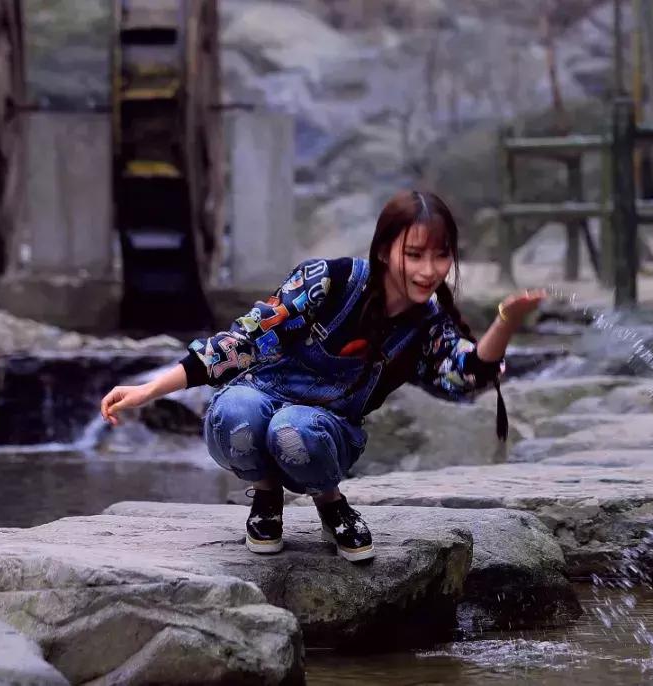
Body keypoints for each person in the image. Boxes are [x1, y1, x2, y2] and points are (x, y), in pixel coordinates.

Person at [99, 190, 543, 562]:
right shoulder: (328, 280)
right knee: (232, 412)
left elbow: (465, 375)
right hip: (261, 394)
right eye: (414, 254)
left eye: (441, 255)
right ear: (385, 249)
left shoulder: (427, 324)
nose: (429, 270)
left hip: (326, 430)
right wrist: (150, 390)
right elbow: (242, 340)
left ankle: (330, 502)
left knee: (292, 429)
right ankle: (266, 496)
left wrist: (505, 321)